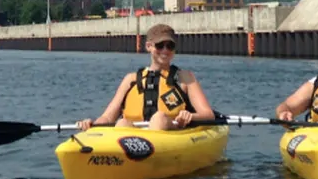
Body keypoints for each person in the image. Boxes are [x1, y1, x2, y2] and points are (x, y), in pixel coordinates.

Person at [76, 24, 217, 131]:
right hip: (134, 139)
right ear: (149, 46)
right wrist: (92, 124)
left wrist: (190, 116)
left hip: (171, 133)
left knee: (159, 118)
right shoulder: (130, 80)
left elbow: (208, 114)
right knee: (122, 123)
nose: (165, 51)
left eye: (170, 46)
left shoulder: (185, 78)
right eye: (160, 46)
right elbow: (108, 117)